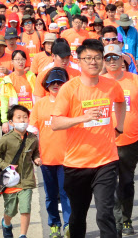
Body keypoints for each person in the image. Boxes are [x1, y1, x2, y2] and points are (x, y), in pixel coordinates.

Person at [51, 39, 126, 238]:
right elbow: (55, 123)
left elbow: (120, 102)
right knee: (78, 216)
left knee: (104, 214)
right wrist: (83, 118)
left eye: (97, 58)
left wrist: (119, 126)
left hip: (106, 161)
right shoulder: (69, 89)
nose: (93, 62)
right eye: (88, 58)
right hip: (76, 165)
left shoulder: (111, 85)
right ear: (79, 60)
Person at [102, 44, 138, 236]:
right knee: (111, 183)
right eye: (107, 58)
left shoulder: (134, 80)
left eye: (114, 57)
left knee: (126, 182)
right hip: (106, 142)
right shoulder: (99, 82)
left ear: (122, 59)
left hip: (130, 141)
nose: (111, 61)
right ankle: (117, 222)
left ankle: (126, 219)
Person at [30, 67, 71, 238]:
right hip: (46, 159)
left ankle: (69, 225)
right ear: (46, 85)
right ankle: (54, 224)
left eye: (60, 82)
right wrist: (34, 155)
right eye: (52, 82)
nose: (56, 85)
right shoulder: (40, 105)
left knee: (66, 193)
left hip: (68, 159)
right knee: (50, 195)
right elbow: (32, 132)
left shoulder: (71, 103)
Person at [0, 105, 40, 238]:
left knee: (26, 209)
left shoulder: (32, 138)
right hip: (10, 181)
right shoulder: (6, 139)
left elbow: (35, 152)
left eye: (25, 117)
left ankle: (22, 235)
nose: (22, 120)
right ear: (11, 122)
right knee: (11, 210)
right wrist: (7, 166)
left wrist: (37, 159)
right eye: (18, 118)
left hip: (27, 179)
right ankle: (6, 223)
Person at [0, 50, 36, 133]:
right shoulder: (7, 80)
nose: (20, 62)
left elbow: (37, 96)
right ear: (12, 61)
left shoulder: (31, 76)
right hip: (15, 118)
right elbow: (4, 102)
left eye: (23, 59)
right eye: (17, 59)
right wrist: (4, 121)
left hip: (30, 118)